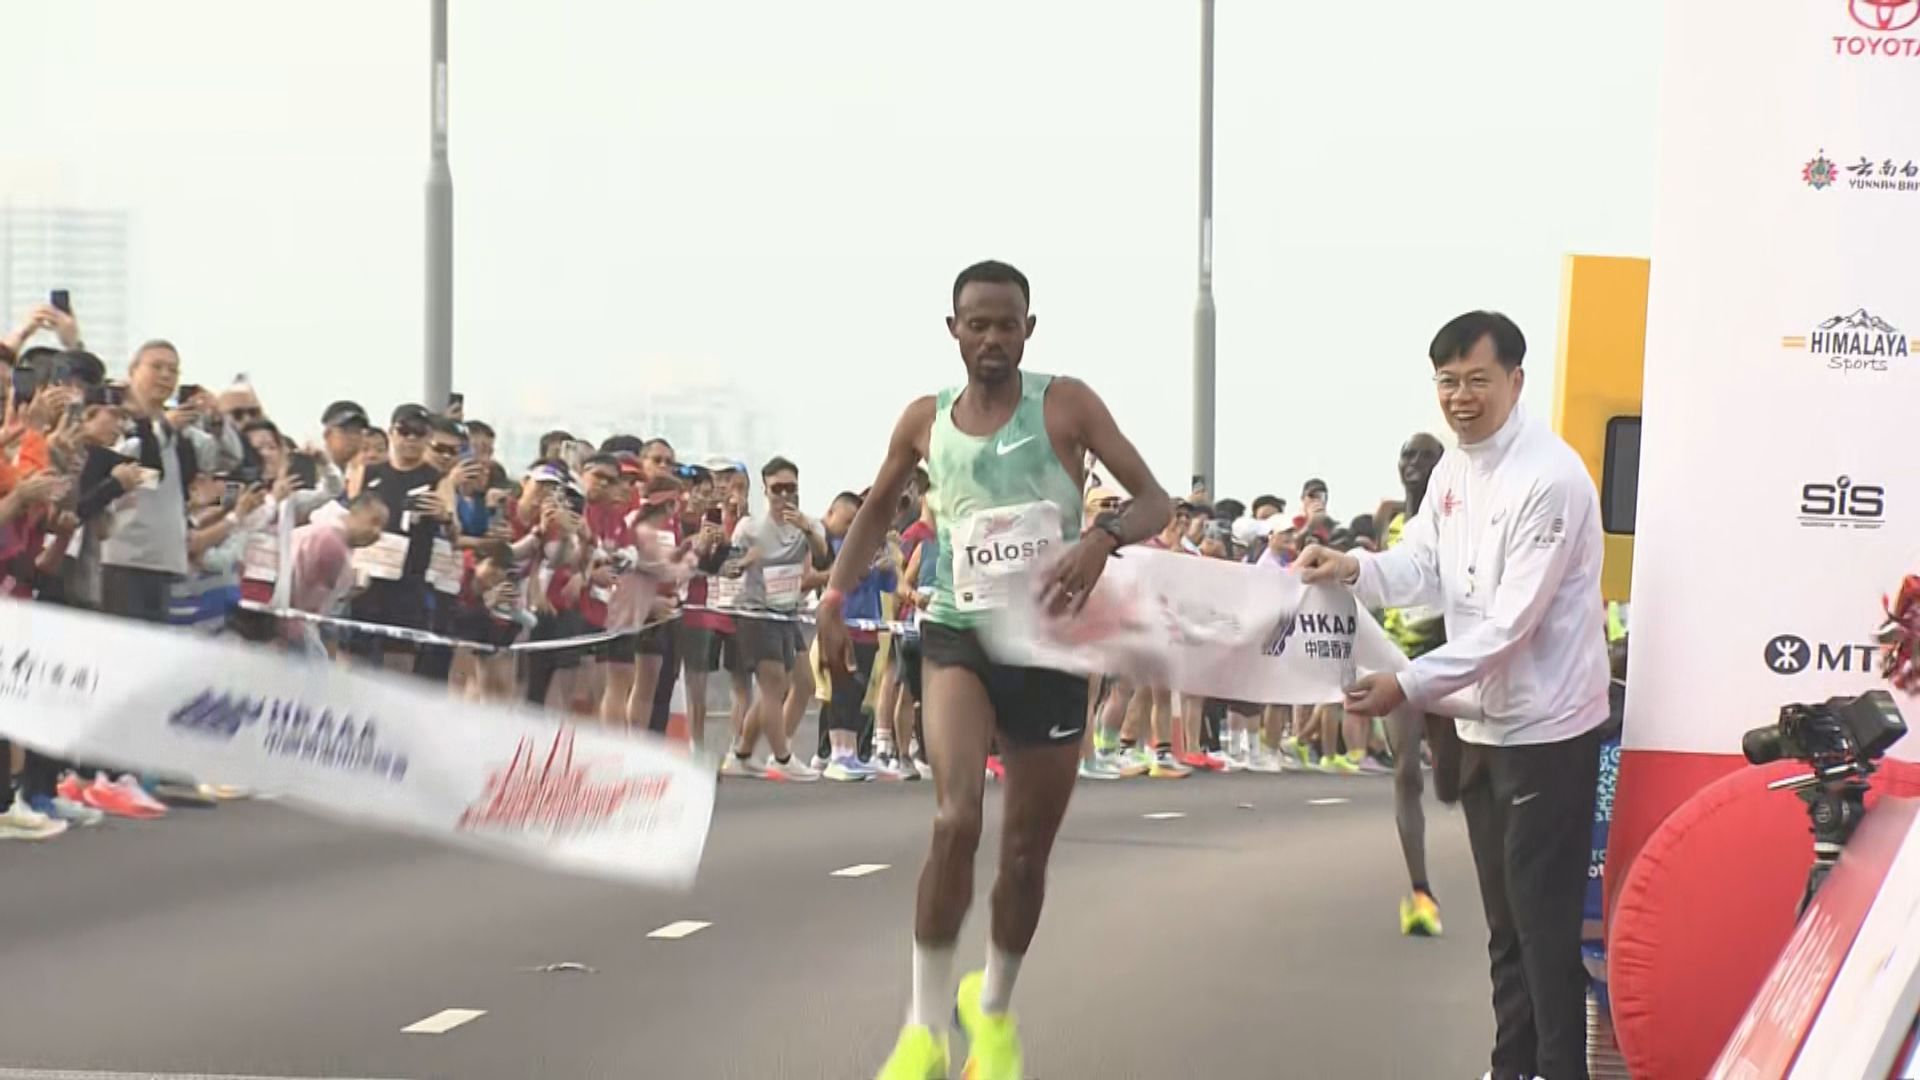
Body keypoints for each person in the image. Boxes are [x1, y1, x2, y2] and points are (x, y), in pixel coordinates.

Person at [817, 260, 1171, 1080]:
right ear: (953, 331)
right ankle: (922, 1031)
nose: (992, 339)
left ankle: (995, 1013)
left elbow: (1154, 500)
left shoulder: (1066, 404)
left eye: (1006, 324)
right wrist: (835, 593)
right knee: (954, 821)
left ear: (1028, 330)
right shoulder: (924, 421)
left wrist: (1100, 538)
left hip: (1050, 649)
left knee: (1023, 857)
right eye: (976, 323)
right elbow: (876, 509)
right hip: (958, 635)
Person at [1297, 310, 1609, 1080]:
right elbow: (1420, 570)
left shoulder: (1553, 478)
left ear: (1515, 381)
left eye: (1477, 380)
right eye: (1446, 381)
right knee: (1505, 928)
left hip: (1548, 729)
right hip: (1481, 726)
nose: (1460, 397)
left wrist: (1405, 685)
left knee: (1542, 928)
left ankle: (1559, 1068)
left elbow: (1511, 624)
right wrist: (1351, 569)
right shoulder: (1452, 472)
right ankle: (1513, 1066)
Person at [1378, 430, 1457, 939]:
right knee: (1407, 773)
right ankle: (1421, 894)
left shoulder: (1454, 521)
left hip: (1448, 659)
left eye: (1427, 456)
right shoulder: (1387, 518)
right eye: (1408, 454)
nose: (1415, 463)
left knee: (1449, 784)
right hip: (1397, 661)